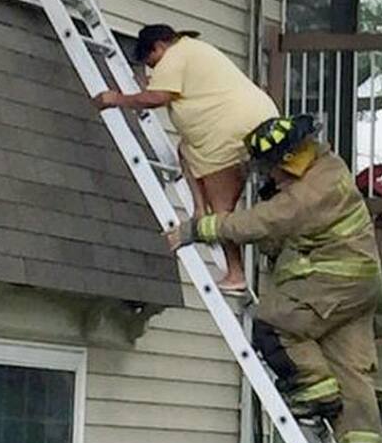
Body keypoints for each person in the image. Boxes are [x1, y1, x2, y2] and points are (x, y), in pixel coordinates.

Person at [168, 114, 382, 443]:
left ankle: (317, 395)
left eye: (270, 170)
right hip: (360, 284)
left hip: (333, 278)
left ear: (287, 162)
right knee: (351, 368)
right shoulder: (330, 167)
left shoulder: (305, 195)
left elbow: (260, 224)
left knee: (273, 323)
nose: (268, 178)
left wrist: (197, 230)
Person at [95, 23, 277, 292]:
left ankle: (235, 273)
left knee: (222, 212)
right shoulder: (191, 51)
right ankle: (199, 210)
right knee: (186, 153)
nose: (153, 69)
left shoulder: (174, 55)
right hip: (249, 122)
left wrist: (115, 99)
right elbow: (168, 90)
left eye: (151, 62)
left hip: (227, 132)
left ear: (158, 46)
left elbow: (157, 97)